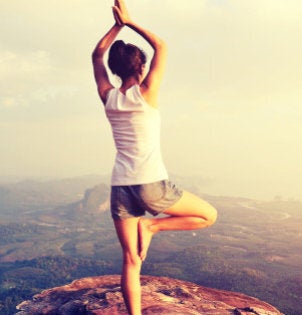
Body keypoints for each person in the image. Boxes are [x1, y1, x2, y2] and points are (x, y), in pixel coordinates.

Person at [91, 1, 217, 314]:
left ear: (117, 69)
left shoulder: (108, 96)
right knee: (209, 215)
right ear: (141, 67)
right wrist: (130, 22)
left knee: (131, 261)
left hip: (120, 186)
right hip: (151, 184)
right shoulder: (147, 92)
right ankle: (153, 228)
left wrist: (116, 27)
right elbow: (161, 44)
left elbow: (96, 55)